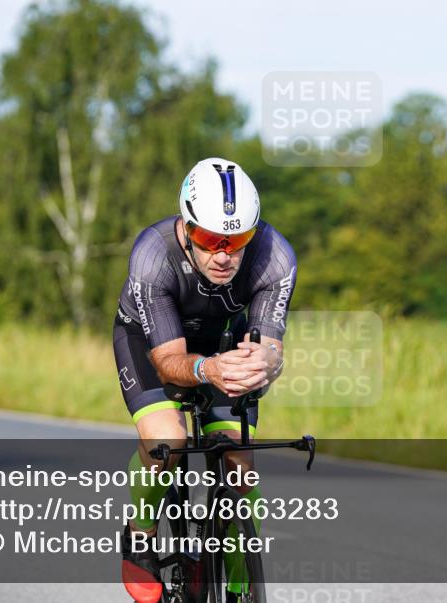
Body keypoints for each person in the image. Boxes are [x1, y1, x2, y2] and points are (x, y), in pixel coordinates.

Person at [114, 158, 296, 602]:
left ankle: (237, 588)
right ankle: (140, 532)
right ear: (186, 225)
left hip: (224, 342)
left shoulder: (275, 257)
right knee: (167, 441)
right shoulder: (152, 255)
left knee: (240, 467)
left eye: (237, 241)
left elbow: (270, 346)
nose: (223, 255)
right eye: (210, 239)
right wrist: (208, 369)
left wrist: (268, 363)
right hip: (153, 342)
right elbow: (170, 362)